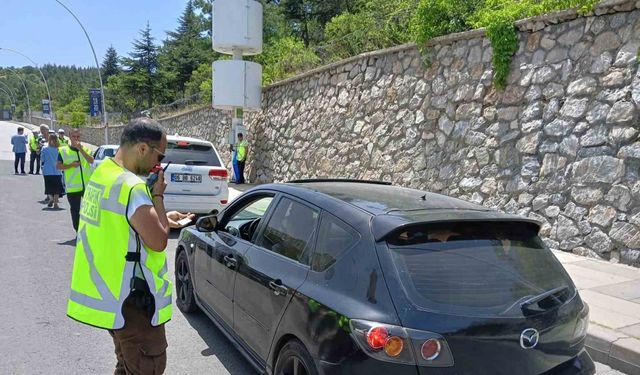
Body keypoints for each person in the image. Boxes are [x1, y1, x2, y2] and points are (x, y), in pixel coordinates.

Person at [67, 117, 194, 375]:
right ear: (143, 149)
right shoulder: (132, 187)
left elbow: (120, 222)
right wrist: (158, 196)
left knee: (126, 364)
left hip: (111, 295)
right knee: (148, 365)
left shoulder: (102, 172)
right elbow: (159, 241)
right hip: (134, 300)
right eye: (160, 157)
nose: (158, 165)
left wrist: (160, 217)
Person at [57, 129, 94, 232]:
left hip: (87, 187)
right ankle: (78, 231)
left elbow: (92, 161)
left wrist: (81, 150)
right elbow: (58, 166)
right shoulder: (63, 151)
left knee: (90, 211)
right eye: (74, 137)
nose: (76, 139)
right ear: (70, 137)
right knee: (75, 211)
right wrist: (71, 165)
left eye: (78, 137)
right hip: (73, 187)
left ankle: (89, 230)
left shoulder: (86, 150)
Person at [41, 134, 64, 209]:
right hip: (57, 171)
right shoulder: (60, 149)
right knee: (57, 188)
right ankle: (56, 203)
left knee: (49, 187)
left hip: (47, 171)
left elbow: (42, 160)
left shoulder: (45, 149)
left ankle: (51, 199)